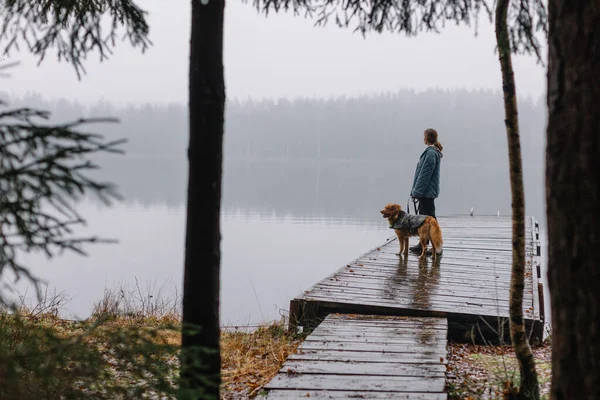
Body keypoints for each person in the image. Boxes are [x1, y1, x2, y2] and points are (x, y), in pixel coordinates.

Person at [409, 128, 443, 254]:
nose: (423, 138)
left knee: (430, 220)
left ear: (427, 138)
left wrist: (417, 191)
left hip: (426, 192)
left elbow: (425, 175)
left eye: (424, 136)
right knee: (424, 220)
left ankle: (437, 247)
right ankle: (423, 243)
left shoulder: (430, 153)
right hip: (426, 192)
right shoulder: (431, 152)